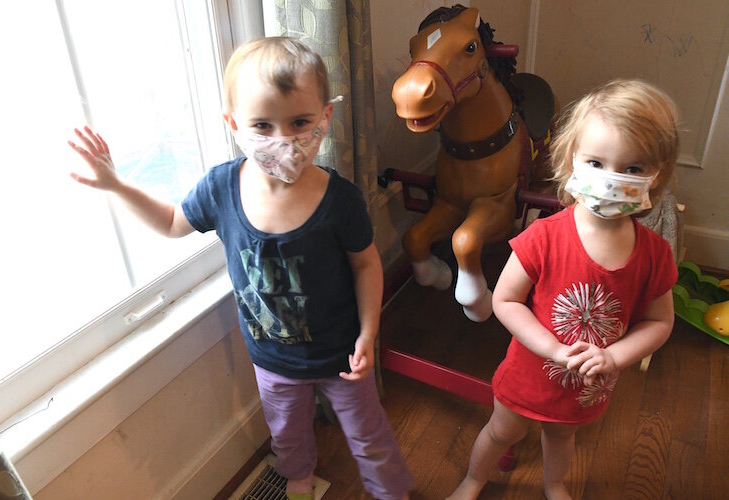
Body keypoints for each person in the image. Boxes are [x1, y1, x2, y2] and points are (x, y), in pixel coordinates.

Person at [69, 36, 413, 500]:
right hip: (272, 361)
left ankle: (391, 492)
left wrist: (368, 334)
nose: (283, 140)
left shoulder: (341, 200)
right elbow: (172, 222)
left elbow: (366, 265)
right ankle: (297, 478)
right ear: (233, 124)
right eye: (262, 125)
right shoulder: (220, 188)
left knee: (368, 436)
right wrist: (117, 185)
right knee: (287, 434)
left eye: (299, 122)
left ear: (325, 118)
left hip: (343, 357)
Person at [448, 79, 680, 500]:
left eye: (632, 168)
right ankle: (473, 480)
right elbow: (504, 300)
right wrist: (553, 350)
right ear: (571, 158)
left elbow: (660, 321)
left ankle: (554, 485)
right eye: (596, 162)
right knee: (501, 431)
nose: (611, 179)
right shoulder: (544, 236)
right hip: (528, 374)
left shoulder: (654, 253)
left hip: (585, 387)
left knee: (560, 440)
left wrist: (614, 356)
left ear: (657, 174)